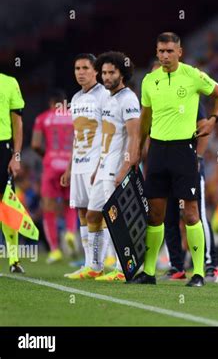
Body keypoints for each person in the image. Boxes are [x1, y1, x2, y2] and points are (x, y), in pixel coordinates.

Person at [130, 32, 218, 286]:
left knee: (191, 213)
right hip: (157, 152)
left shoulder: (193, 75)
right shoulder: (150, 81)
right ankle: (149, 273)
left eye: (169, 51)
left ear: (179, 52)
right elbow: (145, 119)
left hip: (184, 150)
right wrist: (137, 149)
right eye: (161, 51)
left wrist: (213, 120)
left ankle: (198, 274)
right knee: (155, 214)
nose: (164, 55)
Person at [83, 51, 140, 282]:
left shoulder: (129, 99)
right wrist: (97, 166)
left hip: (117, 168)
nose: (106, 77)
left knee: (118, 219)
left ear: (122, 73)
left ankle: (121, 268)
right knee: (92, 214)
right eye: (104, 73)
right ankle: (95, 266)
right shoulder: (107, 98)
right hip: (103, 166)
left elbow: (135, 137)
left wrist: (126, 167)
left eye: (111, 72)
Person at [160, 102, 218, 283]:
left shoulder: (191, 98)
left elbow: (204, 128)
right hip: (168, 165)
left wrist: (198, 157)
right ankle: (176, 266)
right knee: (169, 215)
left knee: (197, 215)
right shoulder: (160, 95)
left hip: (190, 165)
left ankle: (212, 266)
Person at [61, 53, 110, 279]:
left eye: (85, 68)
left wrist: (103, 163)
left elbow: (110, 131)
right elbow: (75, 136)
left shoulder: (104, 95)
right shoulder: (76, 99)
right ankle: (89, 264)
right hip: (79, 163)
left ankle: (104, 261)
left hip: (96, 164)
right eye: (76, 68)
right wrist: (70, 167)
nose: (80, 72)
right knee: (82, 212)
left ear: (95, 71)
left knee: (98, 213)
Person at [31, 89, 76, 264]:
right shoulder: (74, 116)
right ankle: (71, 232)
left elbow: (35, 144)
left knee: (48, 206)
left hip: (51, 164)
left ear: (51, 103)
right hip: (70, 164)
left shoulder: (43, 118)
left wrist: (47, 155)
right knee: (70, 203)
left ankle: (55, 250)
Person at [0, 72, 25, 273]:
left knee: (7, 204)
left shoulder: (9, 82)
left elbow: (17, 122)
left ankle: (14, 259)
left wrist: (16, 156)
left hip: (3, 148)